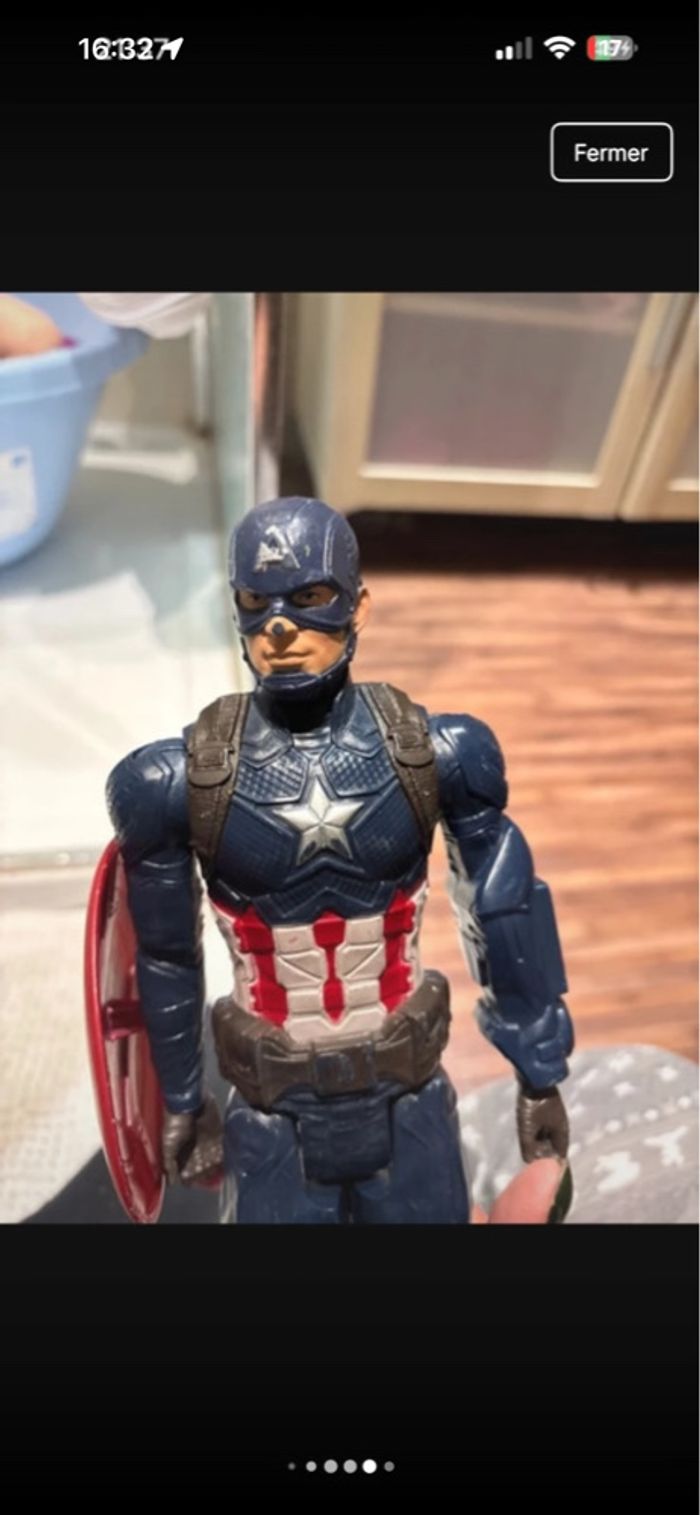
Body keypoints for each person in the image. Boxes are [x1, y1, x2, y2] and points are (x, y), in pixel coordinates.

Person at [104, 496, 574, 1223]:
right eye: (257, 602)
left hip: (408, 1098)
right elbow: (162, 957)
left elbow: (503, 910)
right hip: (272, 1113)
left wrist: (539, 1072)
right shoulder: (171, 782)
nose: (280, 627)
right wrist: (181, 1097)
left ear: (359, 606)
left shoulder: (441, 753)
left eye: (309, 598)